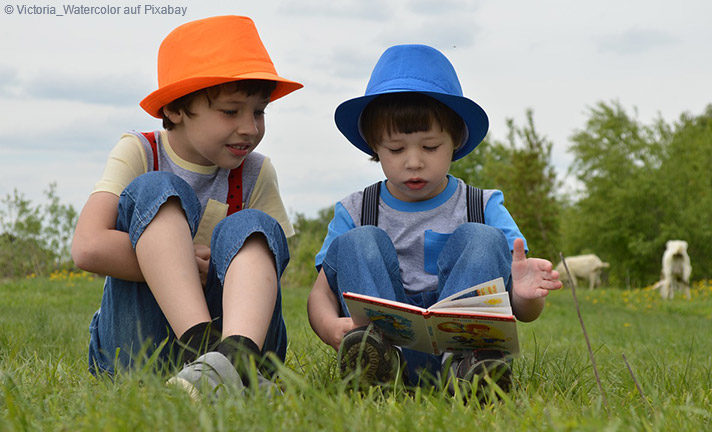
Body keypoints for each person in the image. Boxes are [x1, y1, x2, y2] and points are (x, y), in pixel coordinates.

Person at [70, 15, 302, 396]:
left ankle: (235, 358)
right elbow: (88, 247)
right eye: (231, 111)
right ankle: (208, 354)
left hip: (240, 334)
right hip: (140, 347)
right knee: (157, 188)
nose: (250, 127)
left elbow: (271, 264)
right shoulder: (140, 152)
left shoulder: (257, 171)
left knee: (254, 226)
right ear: (176, 109)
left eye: (259, 112)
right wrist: (176, 262)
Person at [306, 44, 562, 388]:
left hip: (462, 346)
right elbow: (320, 294)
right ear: (374, 146)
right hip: (386, 343)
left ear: (455, 140)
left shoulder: (482, 205)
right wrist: (329, 327)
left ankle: (471, 370)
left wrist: (525, 298)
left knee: (482, 238)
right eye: (396, 149)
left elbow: (521, 310)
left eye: (430, 147)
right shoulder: (355, 210)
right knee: (359, 241)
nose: (413, 161)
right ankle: (376, 367)